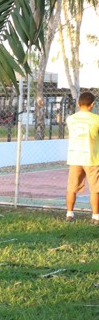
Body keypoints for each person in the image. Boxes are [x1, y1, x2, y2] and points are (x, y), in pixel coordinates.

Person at [63, 90, 99, 224]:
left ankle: (69, 214)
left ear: (78, 104)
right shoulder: (96, 119)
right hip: (92, 158)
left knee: (72, 187)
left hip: (75, 157)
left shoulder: (70, 119)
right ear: (92, 104)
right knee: (95, 189)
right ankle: (95, 216)